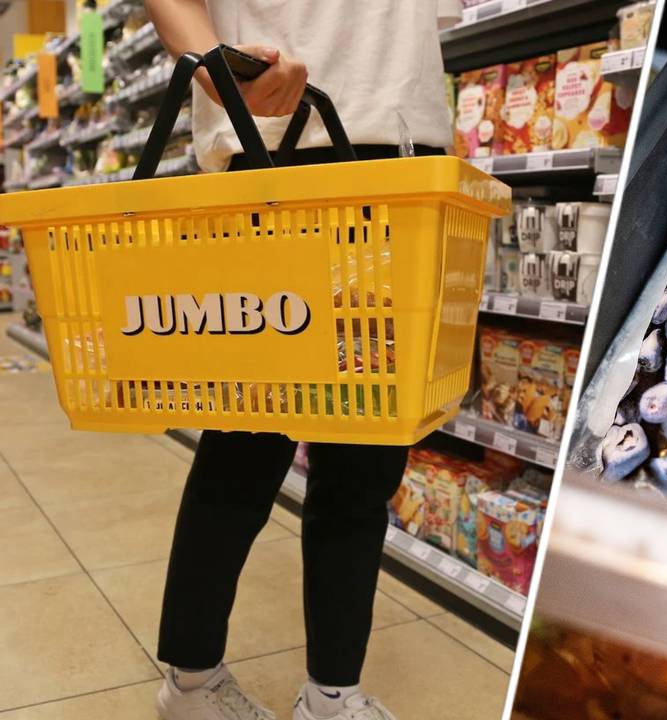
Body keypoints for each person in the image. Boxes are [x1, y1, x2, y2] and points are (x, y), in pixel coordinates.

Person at [143, 1, 463, 719]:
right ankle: (191, 682)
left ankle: (332, 693)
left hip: (405, 151)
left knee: (367, 460)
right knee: (245, 448)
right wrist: (224, 71)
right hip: (274, 150)